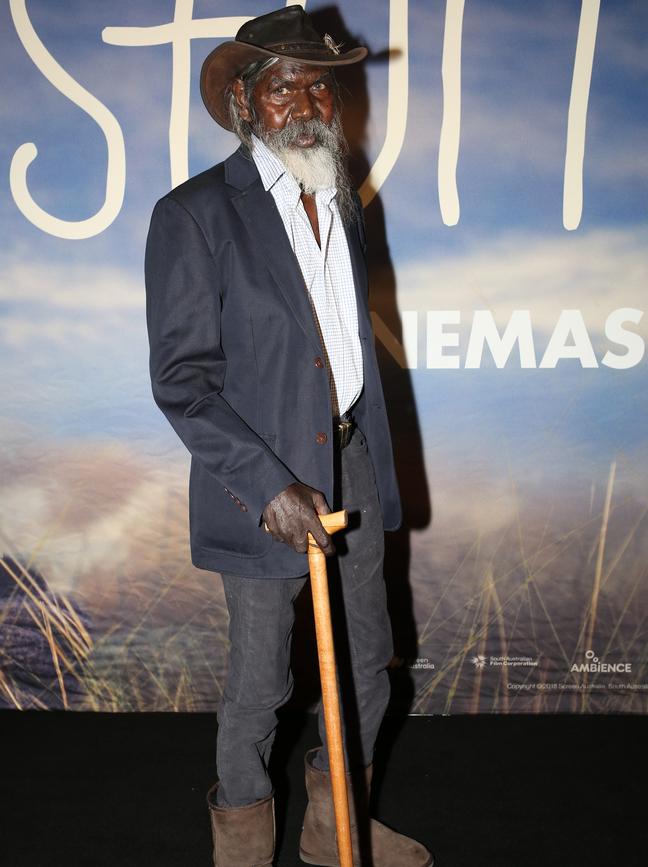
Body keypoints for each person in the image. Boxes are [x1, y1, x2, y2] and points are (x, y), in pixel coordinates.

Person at [144, 6, 432, 866]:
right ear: (243, 102)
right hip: (265, 486)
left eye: (321, 82)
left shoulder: (340, 196)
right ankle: (240, 844)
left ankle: (332, 823)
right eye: (282, 85)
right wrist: (270, 483)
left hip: (354, 462)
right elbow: (182, 382)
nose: (306, 98)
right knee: (262, 685)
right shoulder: (193, 215)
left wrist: (359, 458)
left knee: (370, 664)